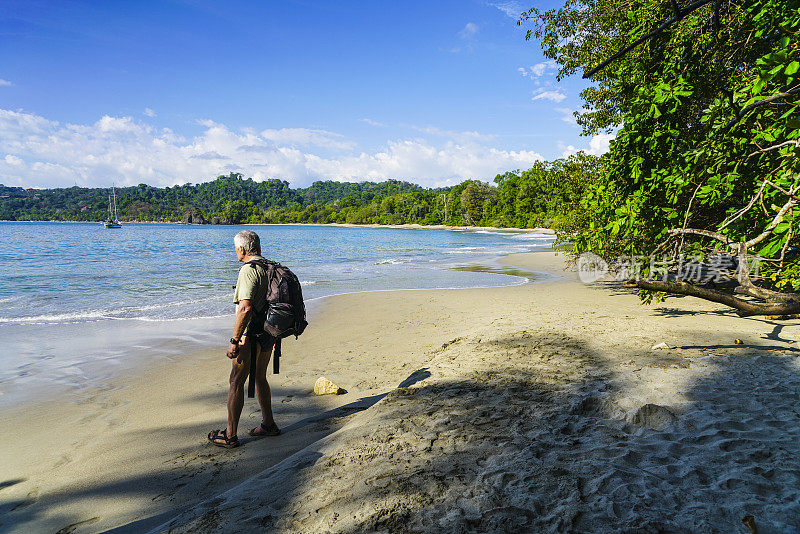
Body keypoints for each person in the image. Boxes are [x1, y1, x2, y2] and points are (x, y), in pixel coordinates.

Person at [208, 230, 281, 448]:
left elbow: (245, 308)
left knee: (236, 382)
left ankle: (230, 434)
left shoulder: (248, 271)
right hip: (269, 332)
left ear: (241, 249)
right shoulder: (270, 267)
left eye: (235, 248)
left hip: (250, 336)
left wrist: (234, 339)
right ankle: (268, 424)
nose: (235, 252)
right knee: (260, 377)